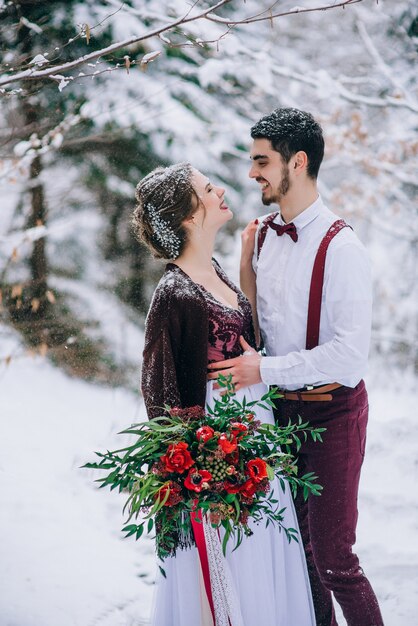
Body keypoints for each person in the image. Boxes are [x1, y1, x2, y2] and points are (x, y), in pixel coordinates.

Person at [207, 108, 384, 626]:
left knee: (335, 560)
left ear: (298, 162)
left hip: (333, 414)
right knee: (301, 555)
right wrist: (244, 268)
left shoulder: (342, 247)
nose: (252, 173)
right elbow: (262, 329)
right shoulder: (262, 237)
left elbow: (350, 357)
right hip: (279, 415)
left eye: (262, 161)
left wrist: (264, 371)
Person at [133, 162, 316, 626]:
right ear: (189, 217)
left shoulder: (215, 271)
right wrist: (196, 467)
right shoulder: (173, 293)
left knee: (265, 554)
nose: (219, 192)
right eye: (207, 189)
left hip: (256, 434)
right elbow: (159, 391)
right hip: (219, 446)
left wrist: (246, 257)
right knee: (234, 561)